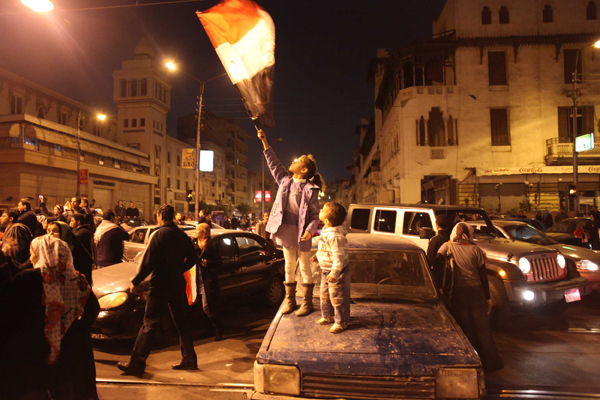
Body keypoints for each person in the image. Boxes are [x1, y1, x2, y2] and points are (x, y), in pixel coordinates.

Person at [0, 232, 99, 399]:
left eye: (33, 253)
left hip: (38, 347)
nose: (31, 257)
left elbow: (11, 312)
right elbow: (93, 309)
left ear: (42, 252)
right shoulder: (78, 279)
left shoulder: (29, 278)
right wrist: (74, 328)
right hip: (70, 348)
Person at [118, 204, 198, 374]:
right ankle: (189, 358)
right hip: (177, 283)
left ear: (161, 216)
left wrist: (136, 281)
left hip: (160, 284)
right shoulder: (182, 236)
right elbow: (193, 258)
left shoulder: (159, 235)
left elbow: (148, 263)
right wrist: (179, 269)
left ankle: (137, 364)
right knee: (182, 322)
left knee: (150, 323)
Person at [258, 128, 322, 316]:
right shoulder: (285, 181)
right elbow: (273, 164)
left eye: (297, 161)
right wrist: (264, 141)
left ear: (304, 170)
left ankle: (307, 303)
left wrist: (310, 231)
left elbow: (315, 215)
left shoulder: (310, 189)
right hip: (285, 229)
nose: (292, 162)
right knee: (288, 265)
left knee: (304, 266)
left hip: (302, 232)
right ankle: (290, 301)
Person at [435, 223, 503, 373]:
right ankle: (489, 363)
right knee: (482, 327)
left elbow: (436, 262)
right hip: (477, 292)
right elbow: (483, 277)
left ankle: (466, 362)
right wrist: (488, 298)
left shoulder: (447, 247)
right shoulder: (476, 250)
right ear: (469, 234)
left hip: (457, 293)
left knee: (464, 327)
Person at [315, 202, 350, 333]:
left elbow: (339, 257)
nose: (320, 210)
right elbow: (325, 249)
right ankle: (327, 316)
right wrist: (318, 256)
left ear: (327, 220)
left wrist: (335, 273)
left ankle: (341, 322)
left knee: (337, 297)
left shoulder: (335, 236)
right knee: (324, 296)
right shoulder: (327, 230)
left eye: (322, 210)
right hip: (325, 270)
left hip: (334, 272)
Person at [193, 223, 224, 341]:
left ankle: (219, 329)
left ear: (204, 232)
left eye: (197, 230)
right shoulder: (195, 243)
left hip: (208, 279)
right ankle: (207, 330)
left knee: (208, 306)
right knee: (200, 306)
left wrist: (208, 263)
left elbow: (219, 261)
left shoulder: (212, 244)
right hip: (197, 278)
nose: (195, 232)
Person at [70, 214, 95, 285]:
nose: (70, 223)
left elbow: (73, 239)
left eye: (72, 221)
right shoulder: (78, 230)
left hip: (84, 262)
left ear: (78, 222)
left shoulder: (83, 232)